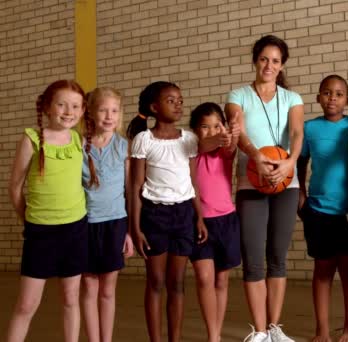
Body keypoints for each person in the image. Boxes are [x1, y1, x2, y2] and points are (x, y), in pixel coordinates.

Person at [224, 34, 304, 342]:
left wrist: (291, 162)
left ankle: (275, 328)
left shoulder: (291, 98)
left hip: (286, 181)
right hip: (251, 181)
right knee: (254, 257)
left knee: (277, 257)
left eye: (275, 60)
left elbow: (297, 130)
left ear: (281, 64)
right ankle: (258, 332)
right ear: (255, 60)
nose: (268, 65)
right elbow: (238, 129)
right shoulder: (238, 94)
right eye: (263, 59)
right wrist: (256, 157)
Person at [6, 80, 88, 342]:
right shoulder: (32, 139)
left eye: (75, 106)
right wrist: (29, 220)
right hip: (41, 232)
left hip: (75, 228)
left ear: (83, 110)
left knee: (70, 297)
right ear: (47, 107)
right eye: (61, 104)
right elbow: (15, 187)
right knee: (26, 304)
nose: (68, 111)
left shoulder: (77, 139)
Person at [128, 81, 207, 342]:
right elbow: (136, 186)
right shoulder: (144, 139)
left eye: (180, 100)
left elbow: (194, 182)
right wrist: (135, 227)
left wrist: (200, 217)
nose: (178, 104)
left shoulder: (189, 139)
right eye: (171, 100)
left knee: (177, 284)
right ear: (154, 107)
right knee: (156, 282)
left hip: (184, 215)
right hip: (154, 216)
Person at [297, 74, 348, 342]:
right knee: (323, 271)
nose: (332, 98)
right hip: (319, 210)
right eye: (326, 93)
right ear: (318, 97)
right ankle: (322, 330)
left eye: (338, 93)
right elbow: (299, 163)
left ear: (347, 99)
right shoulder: (309, 128)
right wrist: (300, 195)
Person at [81, 87, 135, 342]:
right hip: (85, 225)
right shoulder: (79, 146)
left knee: (108, 290)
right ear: (90, 112)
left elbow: (129, 190)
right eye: (103, 110)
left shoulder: (124, 146)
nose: (109, 115)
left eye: (114, 110)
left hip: (115, 224)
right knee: (89, 288)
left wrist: (129, 233)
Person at [188, 102, 240, 342]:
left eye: (216, 125)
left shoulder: (225, 150)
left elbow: (230, 145)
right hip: (199, 221)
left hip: (226, 220)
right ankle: (213, 336)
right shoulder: (192, 149)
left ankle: (215, 334)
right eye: (205, 127)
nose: (211, 131)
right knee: (204, 278)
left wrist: (231, 132)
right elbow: (203, 143)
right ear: (195, 130)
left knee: (221, 280)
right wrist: (218, 134)